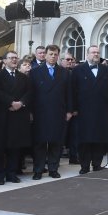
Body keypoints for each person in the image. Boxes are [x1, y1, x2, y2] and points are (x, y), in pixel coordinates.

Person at [69, 45, 108, 173]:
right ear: (87, 55)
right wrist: (74, 108)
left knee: (99, 139)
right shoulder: (78, 70)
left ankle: (96, 164)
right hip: (83, 111)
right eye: (93, 52)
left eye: (98, 52)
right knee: (84, 140)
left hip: (101, 110)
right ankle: (84, 166)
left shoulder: (106, 70)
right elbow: (73, 91)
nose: (96, 54)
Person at [0, 51, 32, 185]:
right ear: (4, 60)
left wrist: (21, 103)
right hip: (3, 114)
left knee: (15, 146)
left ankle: (11, 173)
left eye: (16, 58)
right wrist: (11, 102)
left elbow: (29, 92)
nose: (14, 60)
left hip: (19, 115)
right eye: (11, 58)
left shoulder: (24, 77)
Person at [29, 44, 70, 180]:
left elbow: (69, 94)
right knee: (40, 143)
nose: (53, 57)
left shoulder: (64, 72)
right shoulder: (35, 72)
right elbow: (31, 93)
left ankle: (53, 168)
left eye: (55, 54)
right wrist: (30, 112)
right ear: (45, 55)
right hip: (40, 113)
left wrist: (69, 110)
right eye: (50, 54)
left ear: (58, 56)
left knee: (56, 142)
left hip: (58, 112)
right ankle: (38, 170)